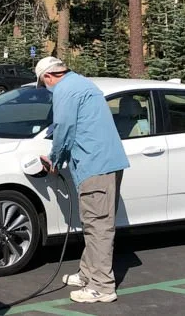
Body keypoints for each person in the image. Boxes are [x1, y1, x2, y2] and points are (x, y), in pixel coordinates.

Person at [35, 56, 130, 304]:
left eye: (43, 85)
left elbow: (65, 126)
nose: (46, 90)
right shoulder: (82, 83)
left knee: (98, 226)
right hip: (104, 162)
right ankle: (88, 273)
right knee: (94, 224)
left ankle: (101, 286)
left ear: (48, 76)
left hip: (95, 165)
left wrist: (55, 158)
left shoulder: (64, 89)